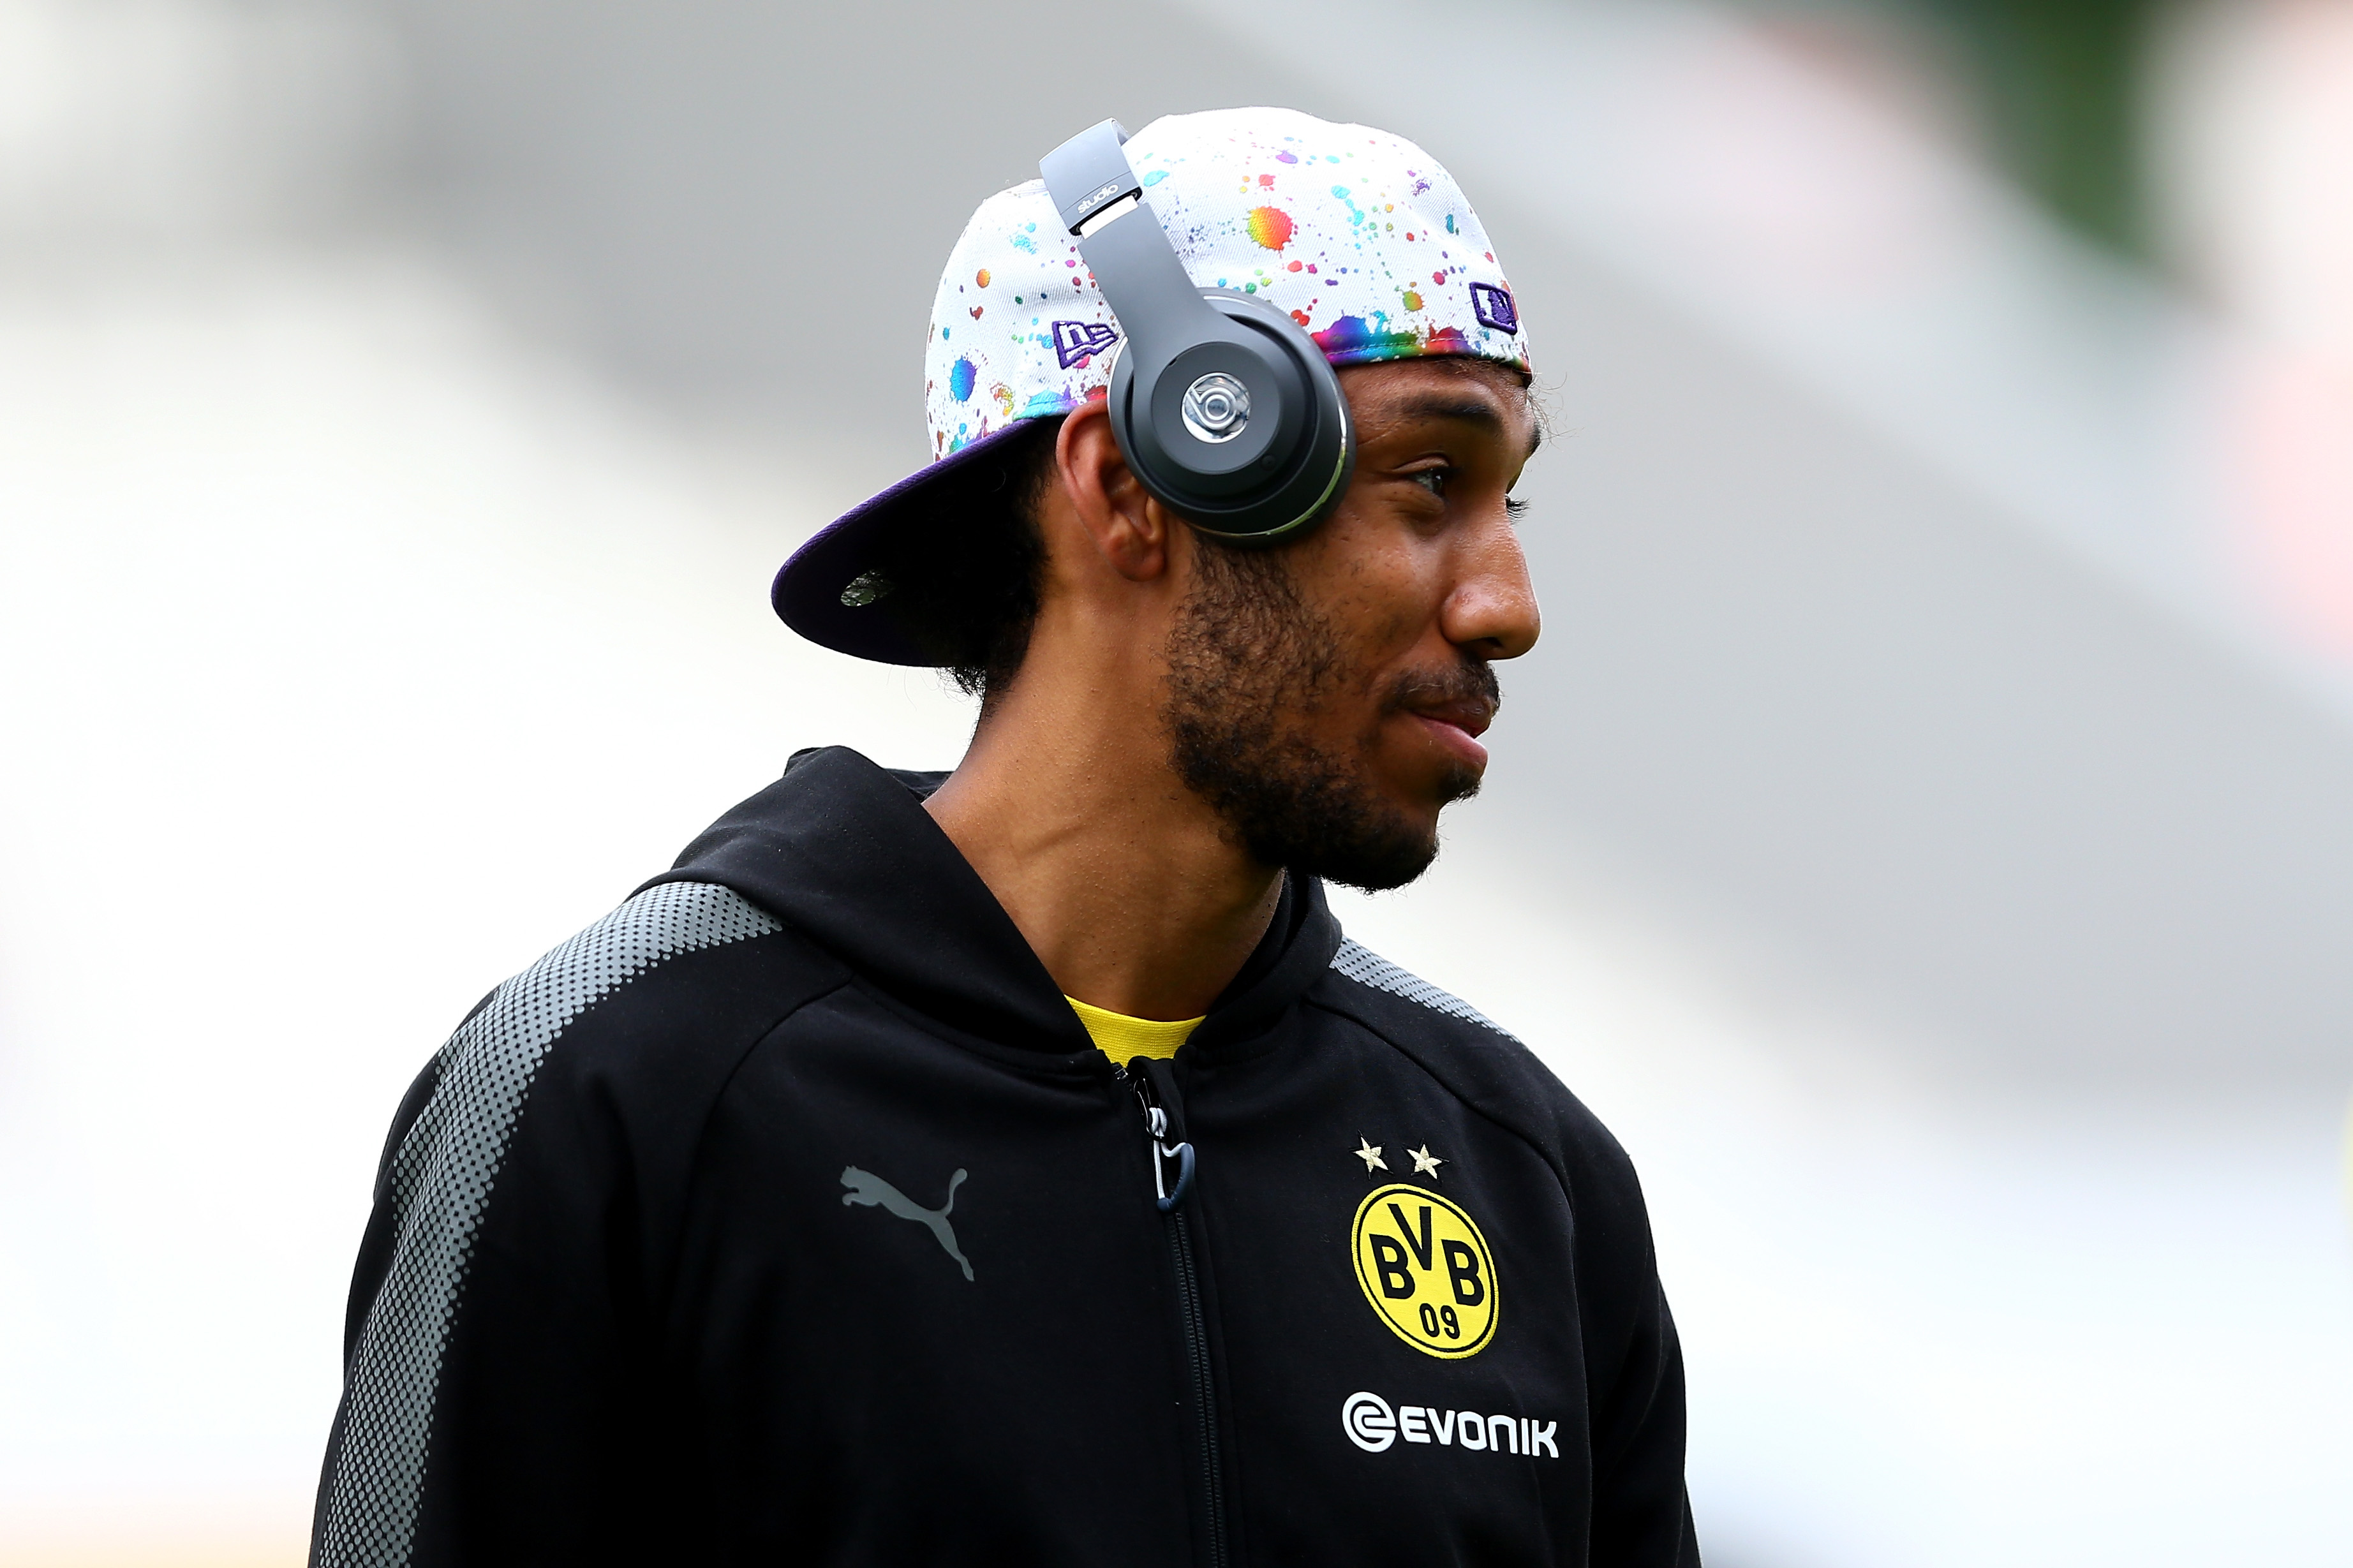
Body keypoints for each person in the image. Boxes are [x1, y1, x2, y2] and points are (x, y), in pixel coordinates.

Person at [309, 106, 1698, 1568]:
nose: (1507, 604)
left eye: (1509, 495)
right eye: (1430, 481)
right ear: (1133, 483)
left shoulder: (1523, 1168)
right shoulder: (617, 1089)